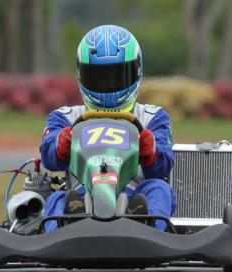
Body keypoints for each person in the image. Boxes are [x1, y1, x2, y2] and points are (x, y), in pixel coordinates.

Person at [40, 25, 176, 232]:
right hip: (82, 197)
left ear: (136, 71)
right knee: (58, 197)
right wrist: (60, 145)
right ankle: (61, 232)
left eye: (117, 75)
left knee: (160, 189)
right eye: (98, 76)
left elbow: (164, 166)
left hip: (134, 195)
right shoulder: (65, 117)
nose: (108, 84)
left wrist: (151, 153)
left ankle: (147, 227)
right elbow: (48, 156)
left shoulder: (152, 117)